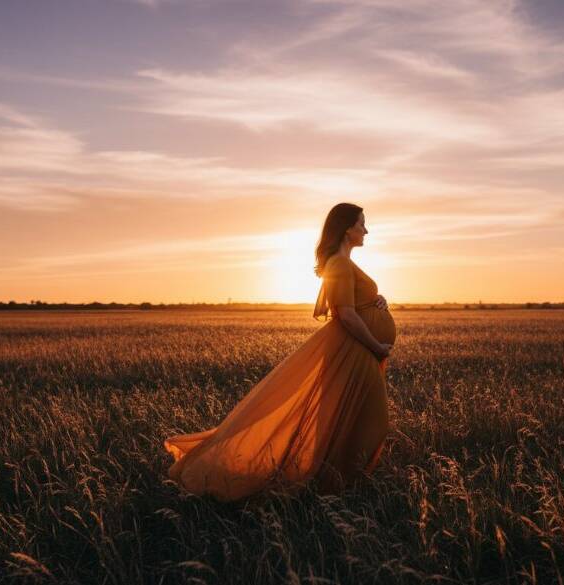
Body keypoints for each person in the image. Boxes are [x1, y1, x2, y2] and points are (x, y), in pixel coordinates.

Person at [163, 202, 396, 502]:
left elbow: (357, 304)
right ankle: (332, 487)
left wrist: (379, 300)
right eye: (362, 223)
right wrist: (376, 345)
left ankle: (340, 487)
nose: (367, 229)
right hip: (355, 351)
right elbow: (346, 315)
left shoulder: (343, 263)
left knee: (352, 419)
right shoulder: (338, 264)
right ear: (347, 228)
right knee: (372, 421)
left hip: (357, 351)